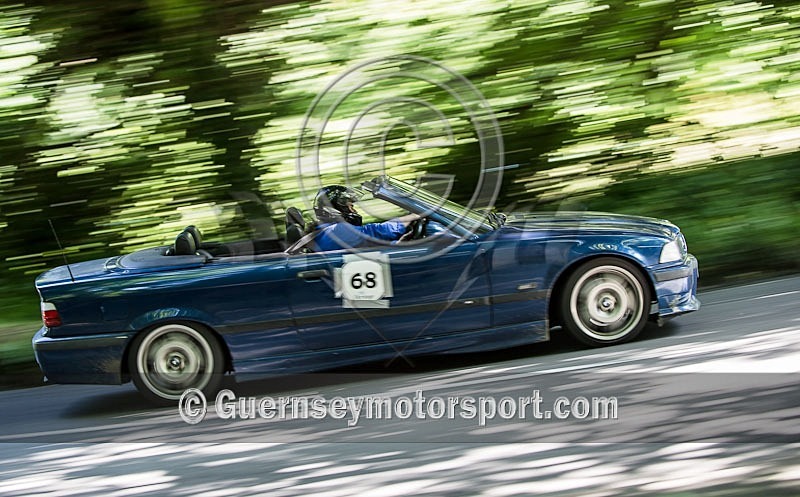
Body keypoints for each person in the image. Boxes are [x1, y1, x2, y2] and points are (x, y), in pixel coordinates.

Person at [311, 185, 419, 252]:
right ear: (336, 208)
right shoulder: (336, 231)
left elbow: (368, 246)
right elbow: (382, 232)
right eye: (350, 207)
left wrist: (397, 244)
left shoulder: (323, 233)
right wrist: (416, 215)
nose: (354, 211)